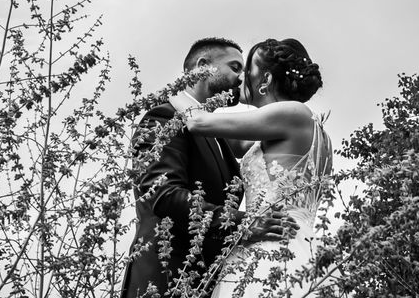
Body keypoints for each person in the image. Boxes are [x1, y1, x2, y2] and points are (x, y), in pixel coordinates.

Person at [121, 38, 296, 298]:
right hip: (165, 280)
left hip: (209, 282)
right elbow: (163, 195)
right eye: (235, 67)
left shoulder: (220, 137)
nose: (242, 77)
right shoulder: (164, 118)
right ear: (203, 66)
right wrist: (244, 224)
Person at [169, 38, 333, 297]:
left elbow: (199, 123)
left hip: (273, 243)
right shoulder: (298, 129)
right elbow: (229, 142)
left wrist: (176, 91)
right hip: (295, 240)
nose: (241, 77)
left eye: (247, 69)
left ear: (265, 79)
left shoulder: (294, 114)